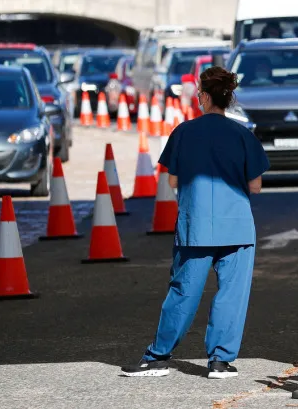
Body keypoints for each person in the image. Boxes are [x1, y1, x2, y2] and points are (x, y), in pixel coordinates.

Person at [121, 67, 270, 379]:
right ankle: (219, 362)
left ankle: (158, 357)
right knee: (231, 295)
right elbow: (255, 186)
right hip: (238, 226)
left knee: (183, 293)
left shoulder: (184, 132)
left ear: (203, 96)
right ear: (229, 98)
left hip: (196, 225)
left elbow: (173, 179)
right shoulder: (244, 135)